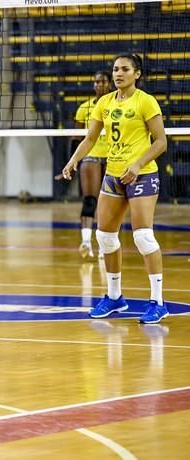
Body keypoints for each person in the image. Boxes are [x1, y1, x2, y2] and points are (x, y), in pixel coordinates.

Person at [62, 54, 168, 324]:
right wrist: (74, 160)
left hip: (142, 175)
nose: (119, 74)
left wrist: (137, 163)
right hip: (113, 175)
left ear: (137, 74)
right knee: (105, 238)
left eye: (125, 69)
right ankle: (114, 297)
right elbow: (91, 138)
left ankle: (158, 301)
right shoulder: (105, 103)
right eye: (115, 69)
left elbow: (161, 142)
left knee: (143, 237)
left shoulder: (145, 101)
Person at [73, 70, 112, 259]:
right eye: (96, 82)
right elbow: (77, 138)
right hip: (91, 156)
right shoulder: (84, 108)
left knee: (110, 203)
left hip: (114, 157)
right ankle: (86, 242)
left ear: (110, 84)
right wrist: (72, 162)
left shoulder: (118, 105)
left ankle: (105, 245)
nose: (99, 85)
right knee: (90, 199)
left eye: (103, 82)